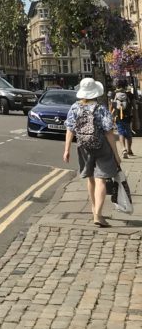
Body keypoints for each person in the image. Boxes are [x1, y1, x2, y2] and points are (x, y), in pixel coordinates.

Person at [63, 77, 121, 227]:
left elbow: (70, 129)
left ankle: (94, 208)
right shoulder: (101, 108)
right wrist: (116, 154)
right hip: (101, 146)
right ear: (95, 92)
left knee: (90, 178)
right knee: (101, 179)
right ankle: (98, 215)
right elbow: (109, 132)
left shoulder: (75, 108)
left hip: (83, 146)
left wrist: (67, 150)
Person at [113, 81, 135, 159]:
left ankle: (123, 149)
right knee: (128, 132)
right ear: (125, 86)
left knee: (121, 132)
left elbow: (112, 106)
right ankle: (129, 150)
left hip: (118, 117)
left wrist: (112, 116)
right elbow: (134, 106)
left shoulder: (114, 94)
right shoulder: (130, 95)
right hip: (128, 117)